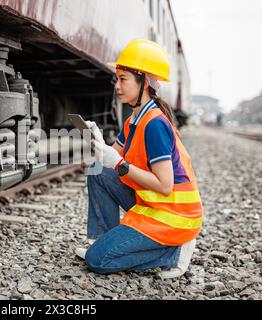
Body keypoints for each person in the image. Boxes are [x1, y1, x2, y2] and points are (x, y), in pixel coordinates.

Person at [76, 39, 203, 279]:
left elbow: (164, 186)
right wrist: (98, 144)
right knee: (98, 172)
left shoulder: (154, 124)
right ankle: (106, 241)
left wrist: (118, 163)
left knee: (97, 260)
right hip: (154, 206)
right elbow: (108, 165)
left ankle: (174, 253)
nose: (117, 86)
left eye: (123, 79)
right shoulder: (133, 121)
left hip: (174, 216)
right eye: (117, 79)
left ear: (143, 82)